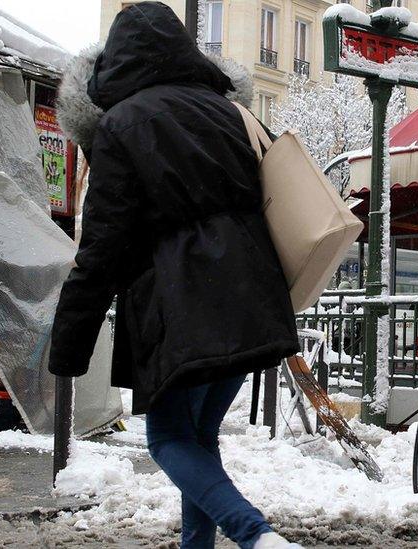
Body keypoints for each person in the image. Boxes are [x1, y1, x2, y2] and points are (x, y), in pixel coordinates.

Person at [48, 3, 301, 548]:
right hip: (253, 295)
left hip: (179, 304)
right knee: (198, 437)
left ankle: (255, 534)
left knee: (166, 438)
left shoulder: (120, 124)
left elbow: (101, 250)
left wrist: (69, 344)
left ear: (114, 63)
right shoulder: (227, 112)